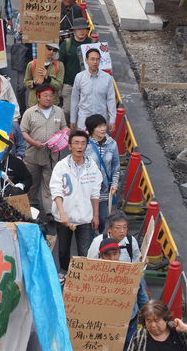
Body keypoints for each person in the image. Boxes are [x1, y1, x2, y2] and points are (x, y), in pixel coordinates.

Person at [97, 237, 149, 351]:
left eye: (115, 254)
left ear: (120, 254)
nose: (113, 258)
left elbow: (141, 296)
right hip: (107, 324)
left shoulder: (131, 272)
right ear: (101, 256)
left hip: (129, 323)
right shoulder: (94, 274)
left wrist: (149, 317)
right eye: (108, 255)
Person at [49, 129, 102, 280]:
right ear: (69, 146)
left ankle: (82, 278)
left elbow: (95, 193)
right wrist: (62, 213)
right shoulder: (61, 166)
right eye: (76, 143)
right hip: (64, 217)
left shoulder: (92, 167)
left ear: (86, 146)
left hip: (85, 217)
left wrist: (96, 215)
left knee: (85, 251)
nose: (79, 147)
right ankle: (64, 273)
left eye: (83, 143)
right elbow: (56, 190)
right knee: (63, 250)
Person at [20, 84, 67, 218]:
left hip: (52, 155)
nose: (49, 98)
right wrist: (33, 142)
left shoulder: (59, 111)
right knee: (32, 182)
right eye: (45, 96)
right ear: (38, 97)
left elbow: (64, 128)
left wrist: (64, 133)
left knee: (50, 183)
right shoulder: (30, 112)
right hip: (33, 154)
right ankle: (32, 207)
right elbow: (23, 131)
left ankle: (50, 211)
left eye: (51, 96)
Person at [85, 113, 120, 230]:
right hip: (88, 189)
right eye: (99, 126)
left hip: (104, 189)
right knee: (89, 219)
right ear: (91, 129)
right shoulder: (85, 144)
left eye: (104, 125)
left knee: (103, 219)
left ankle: (100, 237)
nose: (103, 129)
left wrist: (114, 184)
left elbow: (115, 166)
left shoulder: (112, 144)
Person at [70, 48, 116, 133]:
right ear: (86, 60)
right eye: (92, 59)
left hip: (100, 119)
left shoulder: (107, 78)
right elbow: (75, 99)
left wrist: (112, 119)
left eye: (97, 59)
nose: (95, 62)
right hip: (83, 119)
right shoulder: (79, 77)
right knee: (83, 140)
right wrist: (73, 119)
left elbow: (111, 100)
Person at [58, 18, 92, 122]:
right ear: (74, 31)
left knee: (86, 111)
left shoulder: (92, 43)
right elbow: (60, 64)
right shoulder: (66, 44)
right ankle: (67, 129)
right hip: (69, 84)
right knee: (67, 111)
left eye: (84, 29)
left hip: (88, 84)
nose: (82, 31)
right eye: (79, 29)